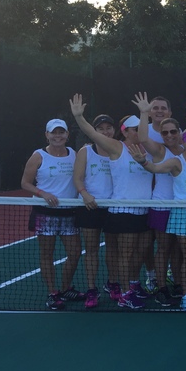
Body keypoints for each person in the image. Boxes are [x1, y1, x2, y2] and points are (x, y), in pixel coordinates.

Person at [70, 97, 153, 310]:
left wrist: (145, 113)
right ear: (124, 132)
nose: (139, 131)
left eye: (140, 128)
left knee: (137, 252)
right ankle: (124, 293)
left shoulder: (148, 149)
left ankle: (129, 286)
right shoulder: (117, 148)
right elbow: (92, 133)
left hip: (143, 210)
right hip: (121, 210)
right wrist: (79, 116)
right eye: (134, 129)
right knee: (121, 254)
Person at [128, 127, 186, 311]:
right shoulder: (175, 161)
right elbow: (155, 168)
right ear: (183, 142)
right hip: (180, 213)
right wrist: (143, 162)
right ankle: (183, 294)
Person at [21, 119, 85, 310]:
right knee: (47, 254)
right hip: (45, 213)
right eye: (54, 133)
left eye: (61, 132)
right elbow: (25, 182)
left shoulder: (74, 154)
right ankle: (53, 293)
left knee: (74, 253)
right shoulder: (38, 156)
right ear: (47, 135)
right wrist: (43, 194)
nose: (58, 136)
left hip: (70, 213)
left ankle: (65, 289)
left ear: (67, 135)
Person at [133, 93, 185, 301]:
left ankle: (180, 283)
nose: (170, 135)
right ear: (161, 135)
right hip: (161, 206)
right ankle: (162, 288)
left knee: (179, 249)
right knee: (164, 248)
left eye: (174, 131)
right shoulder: (159, 151)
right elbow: (143, 138)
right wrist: (144, 112)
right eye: (166, 133)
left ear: (180, 133)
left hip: (182, 207)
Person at [73, 114, 118, 308]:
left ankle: (113, 283)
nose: (106, 131)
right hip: (89, 207)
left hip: (113, 208)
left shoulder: (119, 149)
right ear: (95, 131)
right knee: (91, 250)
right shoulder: (85, 151)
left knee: (113, 249)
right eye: (101, 128)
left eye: (109, 127)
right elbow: (77, 178)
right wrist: (85, 194)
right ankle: (92, 289)